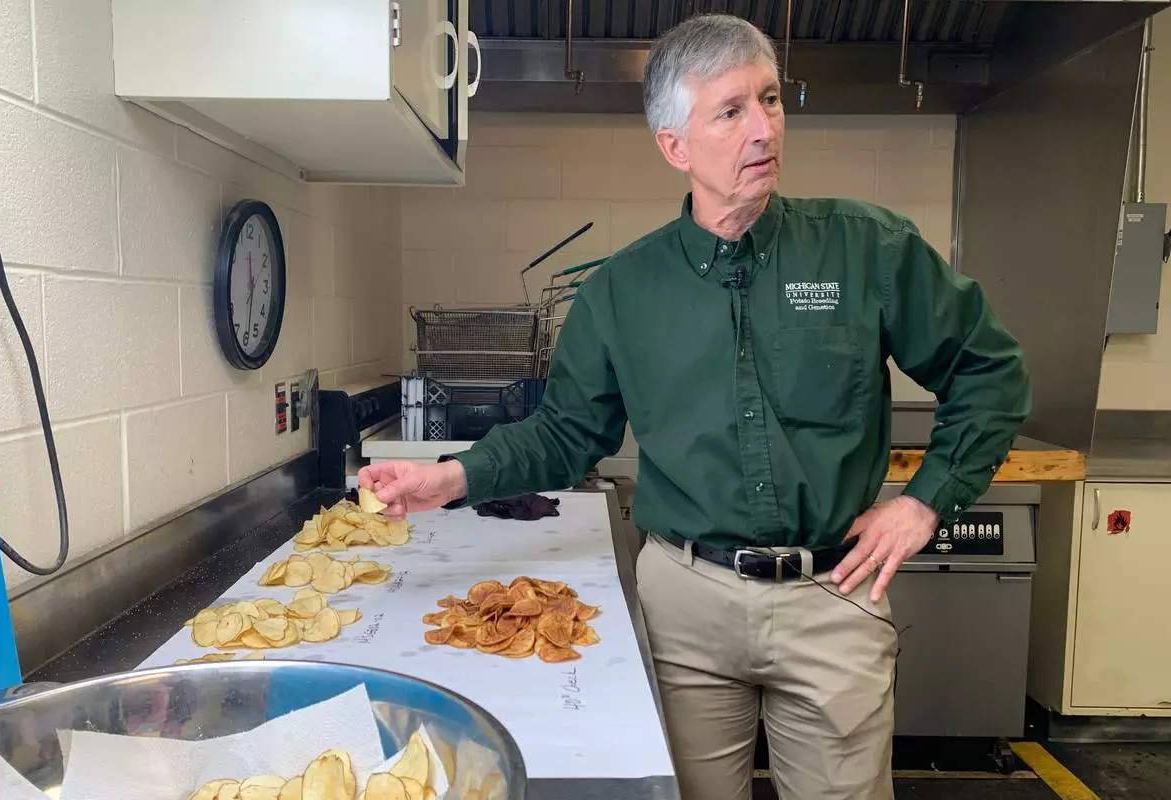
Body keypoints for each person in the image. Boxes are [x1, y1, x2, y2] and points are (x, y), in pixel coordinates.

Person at [362, 12, 1031, 800]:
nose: (764, 129)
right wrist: (450, 479)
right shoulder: (621, 291)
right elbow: (567, 432)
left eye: (771, 100)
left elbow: (990, 371)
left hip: (831, 595)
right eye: (731, 111)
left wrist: (925, 502)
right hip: (685, 603)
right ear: (675, 145)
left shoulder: (866, 248)